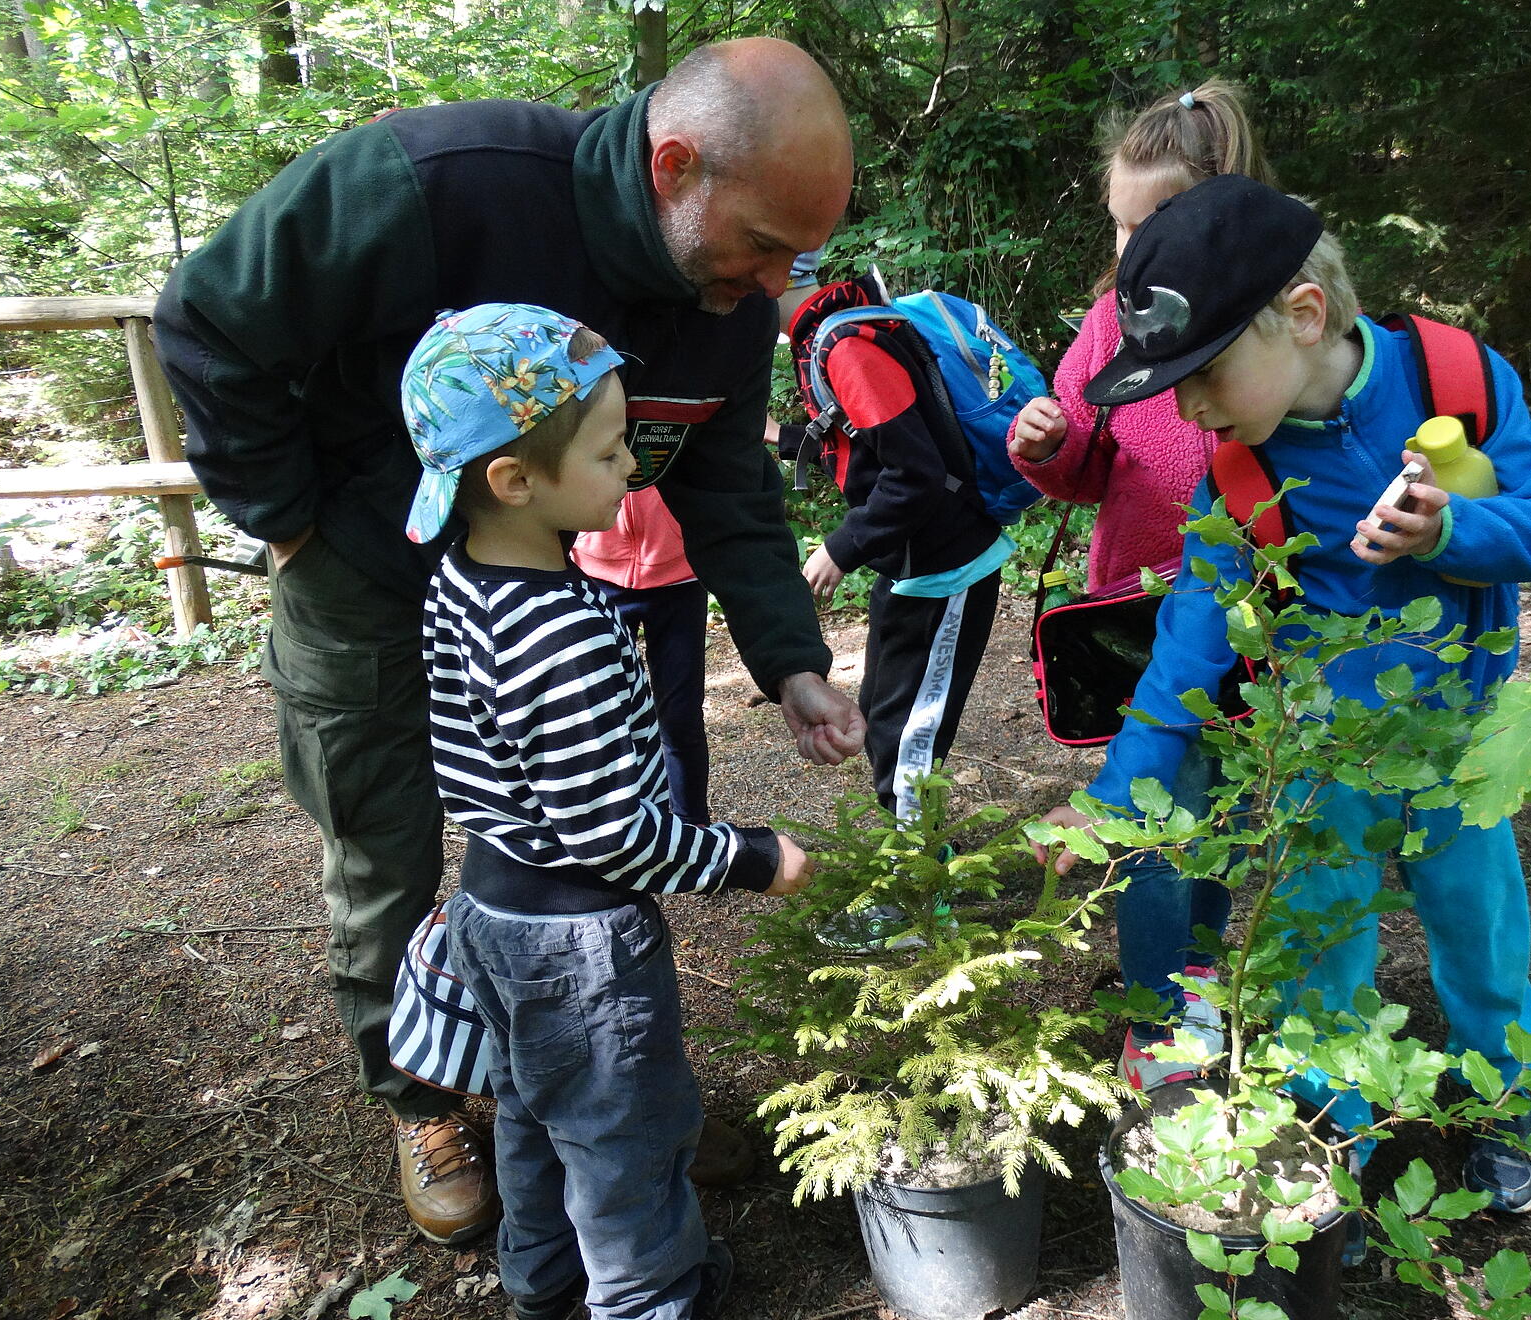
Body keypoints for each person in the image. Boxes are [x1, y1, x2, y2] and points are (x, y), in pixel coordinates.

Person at [151, 38, 862, 1243]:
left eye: (801, 252)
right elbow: (211, 319)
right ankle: (420, 1096)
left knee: (570, 839)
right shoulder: (439, 182)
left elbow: (730, 491)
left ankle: (612, 1086)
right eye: (761, 243)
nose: (778, 280)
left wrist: (792, 660)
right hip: (365, 575)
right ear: (674, 167)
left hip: (541, 592)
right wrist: (288, 517)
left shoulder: (733, 305)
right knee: (384, 843)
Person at [1033, 176, 1531, 1215]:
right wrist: (1114, 801)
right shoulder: (1238, 481)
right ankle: (1328, 1127)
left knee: (1480, 929)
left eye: (1202, 375)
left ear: (1301, 316)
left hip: (1461, 747)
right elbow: (1187, 653)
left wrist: (1453, 532)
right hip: (1318, 757)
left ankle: (1497, 1105)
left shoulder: (1458, 382)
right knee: (1315, 944)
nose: (1186, 408)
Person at [405, 302, 814, 1320]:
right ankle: (650, 1299)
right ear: (515, 480)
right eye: (608, 449)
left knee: (533, 1113)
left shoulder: (463, 579)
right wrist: (751, 857)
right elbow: (608, 836)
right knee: (624, 1139)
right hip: (577, 941)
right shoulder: (558, 635)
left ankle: (543, 1285)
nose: (633, 465)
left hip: (489, 910)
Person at [1005, 80, 1277, 1093]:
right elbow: (1085, 467)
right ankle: (1157, 1018)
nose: (1127, 251)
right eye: (1117, 226)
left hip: (1254, 613)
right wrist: (1047, 445)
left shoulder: (1267, 325)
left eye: (1148, 225)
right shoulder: (1108, 323)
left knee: (1229, 808)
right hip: (1137, 613)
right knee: (1157, 815)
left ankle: (1200, 972)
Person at [788, 273, 1010, 826]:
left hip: (947, 565)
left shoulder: (846, 348)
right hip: (911, 563)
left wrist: (840, 549)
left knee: (910, 728)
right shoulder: (836, 332)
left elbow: (914, 474)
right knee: (881, 710)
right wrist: (783, 438)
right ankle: (907, 847)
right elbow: (870, 442)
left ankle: (918, 868)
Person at [574, 489, 713, 823]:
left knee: (680, 718)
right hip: (597, 574)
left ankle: (693, 829)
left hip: (680, 577)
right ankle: (619, 828)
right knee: (605, 716)